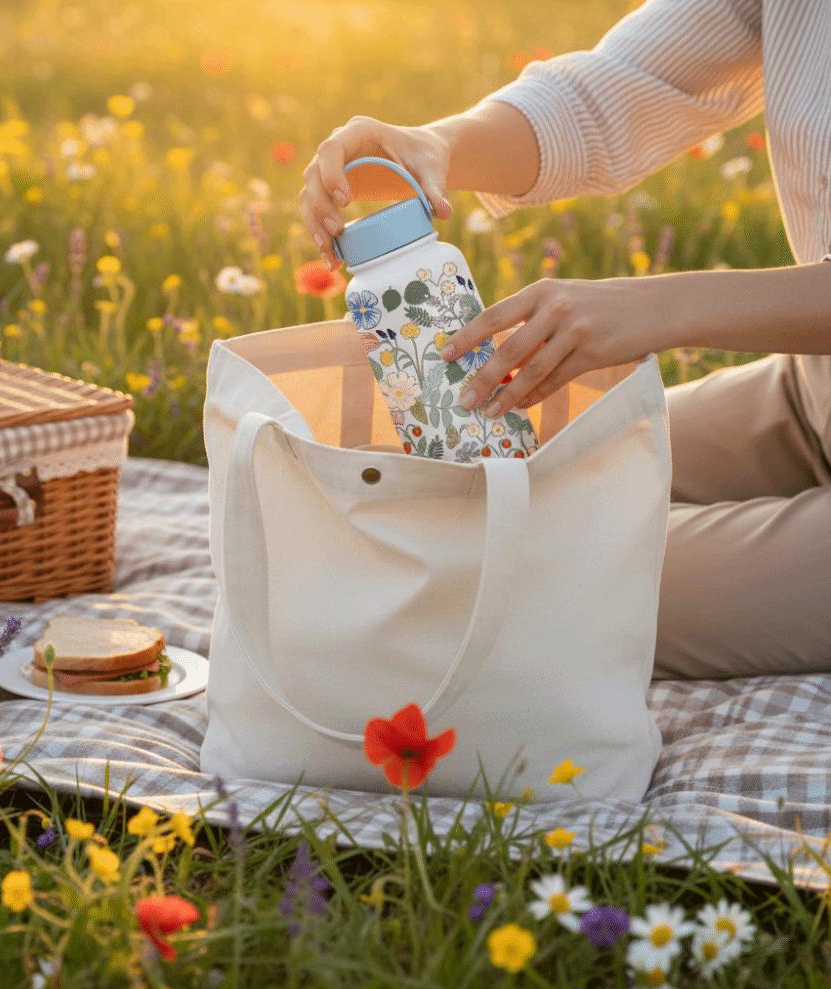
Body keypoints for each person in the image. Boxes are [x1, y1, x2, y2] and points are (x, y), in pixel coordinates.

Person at [299, 0, 831, 682]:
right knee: (489, 504)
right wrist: (438, 146)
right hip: (810, 394)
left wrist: (657, 306)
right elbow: (618, 90)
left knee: (516, 583)